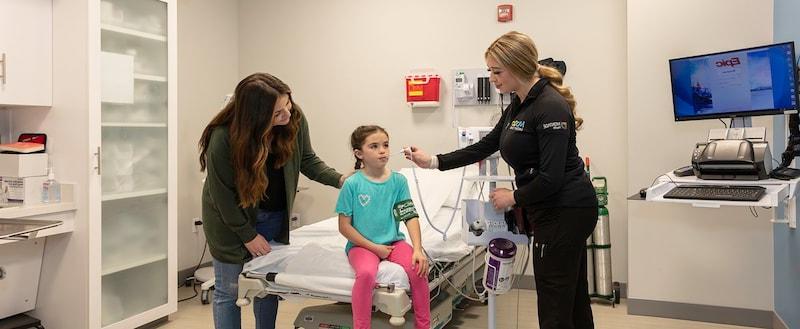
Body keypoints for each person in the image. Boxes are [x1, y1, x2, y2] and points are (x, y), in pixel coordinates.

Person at [403, 31, 598, 329]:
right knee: (571, 301)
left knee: (555, 306)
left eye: (497, 71)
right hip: (553, 210)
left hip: (565, 210)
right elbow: (484, 146)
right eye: (489, 71)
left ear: (518, 66)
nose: (492, 78)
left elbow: (551, 178)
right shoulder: (518, 105)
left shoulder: (550, 106)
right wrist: (433, 161)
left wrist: (513, 197)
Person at [198, 73, 347, 329]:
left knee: (267, 287)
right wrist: (246, 235)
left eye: (287, 106)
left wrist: (342, 179)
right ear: (254, 116)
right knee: (229, 292)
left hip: (273, 216)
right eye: (277, 113)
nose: (286, 115)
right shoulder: (224, 137)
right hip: (230, 223)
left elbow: (308, 160)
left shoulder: (294, 118)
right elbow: (221, 196)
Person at [336, 125, 431, 329]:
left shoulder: (398, 181)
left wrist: (417, 249)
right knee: (367, 274)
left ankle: (424, 326)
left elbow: (409, 216)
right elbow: (344, 227)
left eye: (386, 145)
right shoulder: (352, 184)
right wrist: (374, 248)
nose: (383, 151)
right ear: (359, 153)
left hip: (393, 242)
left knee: (418, 269)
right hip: (360, 246)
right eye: (374, 146)